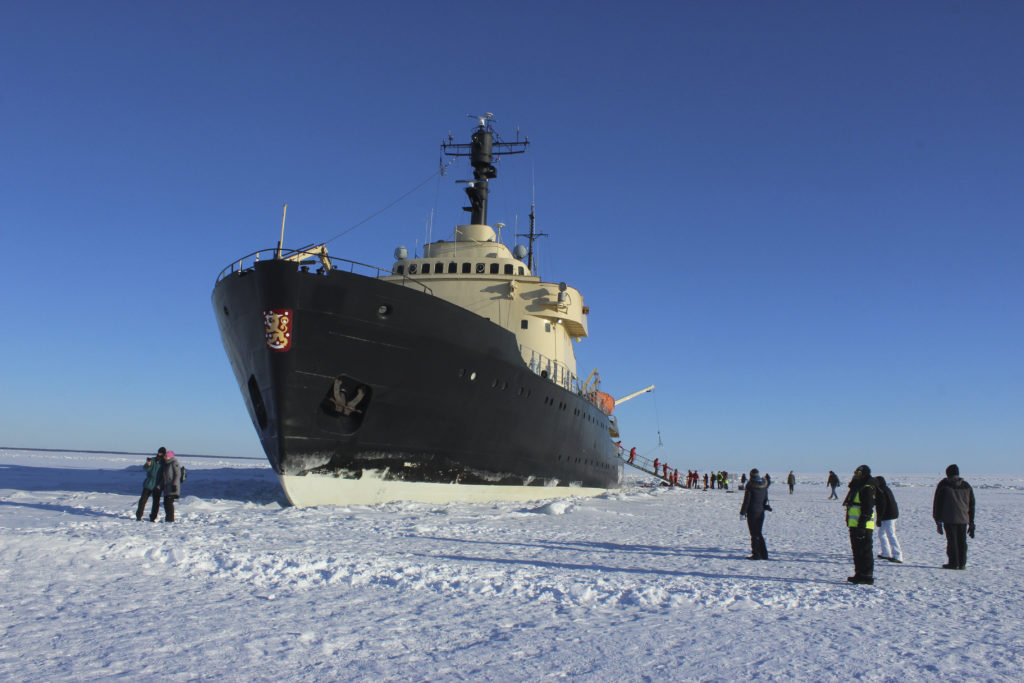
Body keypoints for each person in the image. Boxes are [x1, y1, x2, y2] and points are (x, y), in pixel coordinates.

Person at [933, 464, 976, 570]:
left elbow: (937, 503)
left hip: (949, 518)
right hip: (963, 518)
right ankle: (961, 563)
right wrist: (971, 521)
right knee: (962, 541)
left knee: (952, 541)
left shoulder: (944, 484)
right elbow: (972, 504)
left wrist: (937, 519)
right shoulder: (966, 485)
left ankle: (953, 563)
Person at [843, 465, 876, 585]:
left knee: (865, 551)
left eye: (858, 473)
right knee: (857, 551)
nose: (856, 475)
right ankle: (859, 574)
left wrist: (862, 525)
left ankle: (867, 575)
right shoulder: (857, 486)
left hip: (863, 526)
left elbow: (868, 509)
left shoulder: (866, 488)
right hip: (854, 524)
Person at [740, 468, 771, 559]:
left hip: (752, 512)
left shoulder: (750, 485)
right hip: (761, 512)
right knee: (758, 533)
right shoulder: (764, 484)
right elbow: (765, 498)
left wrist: (742, 512)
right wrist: (765, 506)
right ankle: (764, 554)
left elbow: (747, 501)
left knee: (754, 534)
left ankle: (756, 554)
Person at [874, 475, 903, 563]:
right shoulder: (885, 489)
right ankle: (886, 553)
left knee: (891, 534)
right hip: (891, 514)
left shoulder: (880, 490)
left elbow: (882, 505)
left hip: (888, 515)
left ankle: (898, 556)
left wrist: (879, 518)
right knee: (882, 534)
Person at [152, 449, 184, 523]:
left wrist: (175, 485)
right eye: (165, 456)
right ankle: (168, 518)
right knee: (166, 503)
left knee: (169, 503)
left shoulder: (174, 463)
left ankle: (170, 519)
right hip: (167, 487)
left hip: (172, 487)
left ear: (170, 457)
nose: (165, 457)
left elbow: (177, 475)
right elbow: (164, 477)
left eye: (166, 456)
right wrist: (159, 486)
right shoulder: (166, 464)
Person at [135, 448, 164, 521]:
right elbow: (146, 469)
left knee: (156, 503)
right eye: (159, 452)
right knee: (142, 500)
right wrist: (148, 464)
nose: (160, 454)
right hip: (149, 484)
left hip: (158, 486)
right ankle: (139, 516)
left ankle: (153, 517)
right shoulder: (153, 460)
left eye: (162, 453)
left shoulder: (164, 462)